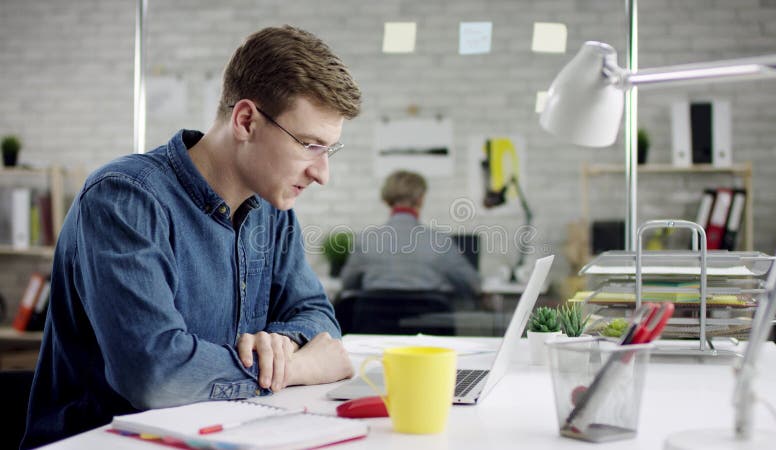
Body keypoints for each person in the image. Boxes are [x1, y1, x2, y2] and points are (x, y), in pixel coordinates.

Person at [22, 25, 361, 448]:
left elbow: (316, 318)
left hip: (223, 434)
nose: (322, 174)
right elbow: (155, 376)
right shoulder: (124, 199)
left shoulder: (273, 213)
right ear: (246, 121)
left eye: (329, 150)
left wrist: (282, 344)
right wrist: (292, 370)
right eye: (310, 145)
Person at [340, 170, 481, 309]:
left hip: (372, 327)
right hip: (429, 327)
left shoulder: (366, 240)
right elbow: (472, 284)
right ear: (420, 198)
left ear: (386, 199)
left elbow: (347, 283)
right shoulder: (439, 241)